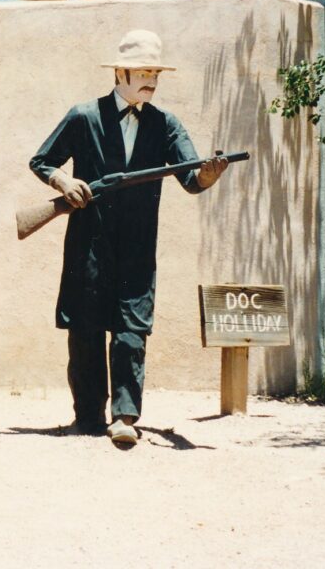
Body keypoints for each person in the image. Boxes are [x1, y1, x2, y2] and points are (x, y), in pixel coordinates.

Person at [29, 29, 226, 445]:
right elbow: (42, 160)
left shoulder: (166, 123)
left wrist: (209, 174)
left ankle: (125, 417)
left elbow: (191, 178)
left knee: (132, 330)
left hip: (138, 245)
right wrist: (64, 181)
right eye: (142, 71)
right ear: (120, 72)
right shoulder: (84, 115)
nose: (150, 79)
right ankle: (87, 415)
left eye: (155, 71)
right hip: (89, 241)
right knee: (85, 330)